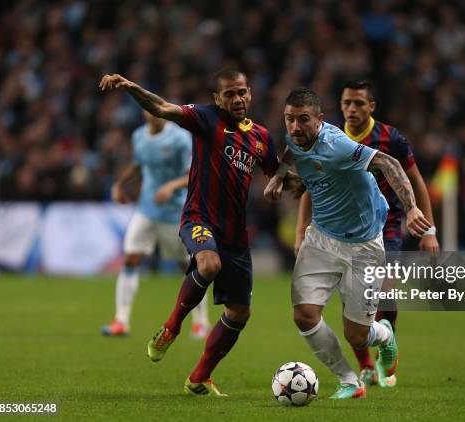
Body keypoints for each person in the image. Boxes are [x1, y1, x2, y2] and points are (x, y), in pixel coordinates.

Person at [99, 69, 285, 396]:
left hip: (235, 234)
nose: (237, 99)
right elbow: (161, 107)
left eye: (241, 92)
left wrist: (281, 181)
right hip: (198, 217)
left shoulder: (261, 137)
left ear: (250, 93)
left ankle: (198, 377)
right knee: (209, 265)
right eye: (229, 94)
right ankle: (171, 327)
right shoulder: (205, 119)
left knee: (240, 312)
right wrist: (130, 87)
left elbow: (277, 172)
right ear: (217, 99)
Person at [264, 87, 431, 399]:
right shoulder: (294, 137)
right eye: (289, 120)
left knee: (357, 335)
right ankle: (350, 381)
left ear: (320, 119)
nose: (295, 127)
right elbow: (290, 152)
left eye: (303, 120)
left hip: (364, 245)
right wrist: (277, 177)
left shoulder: (339, 145)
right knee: (304, 315)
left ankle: (384, 335)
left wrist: (411, 209)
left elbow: (389, 164)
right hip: (322, 238)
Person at [102, 111, 209, 339]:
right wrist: (120, 184)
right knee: (130, 258)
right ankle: (121, 320)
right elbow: (138, 164)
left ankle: (200, 322)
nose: (154, 113)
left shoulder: (179, 138)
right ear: (143, 113)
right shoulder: (139, 136)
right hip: (146, 210)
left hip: (173, 213)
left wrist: (171, 186)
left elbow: (193, 173)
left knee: (187, 267)